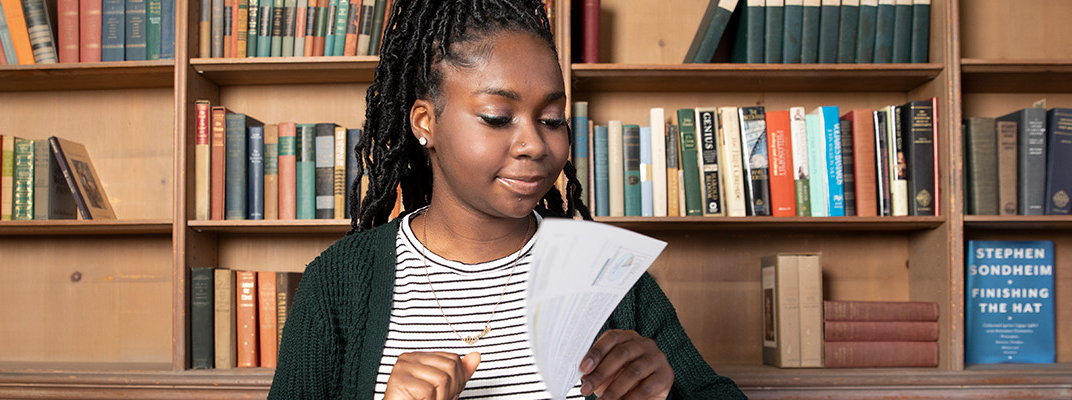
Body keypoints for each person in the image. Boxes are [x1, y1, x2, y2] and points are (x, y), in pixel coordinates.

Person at [269, 0, 746, 399]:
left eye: (553, 118)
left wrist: (667, 393)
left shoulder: (606, 272)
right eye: (498, 117)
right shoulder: (338, 283)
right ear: (424, 122)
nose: (536, 145)